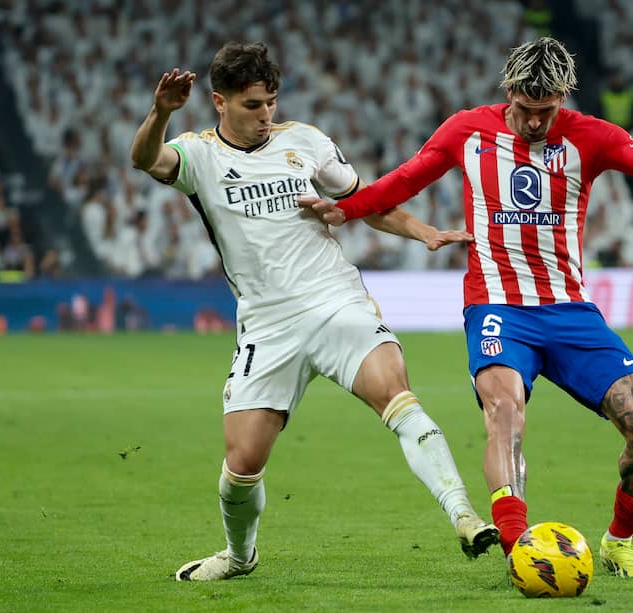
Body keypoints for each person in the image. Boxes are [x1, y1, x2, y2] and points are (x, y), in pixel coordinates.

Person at [301, 37, 633, 579]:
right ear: (509, 91)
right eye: (527, 110)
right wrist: (344, 210)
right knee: (504, 413)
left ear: (563, 97)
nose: (536, 122)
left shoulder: (591, 136)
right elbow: (406, 179)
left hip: (570, 311)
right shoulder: (468, 129)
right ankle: (519, 550)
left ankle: (618, 542)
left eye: (547, 110)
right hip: (497, 309)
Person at [129, 41, 498, 581]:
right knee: (242, 466)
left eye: (271, 102)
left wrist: (424, 232)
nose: (266, 115)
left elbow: (365, 201)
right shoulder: (198, 155)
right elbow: (144, 159)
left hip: (335, 300)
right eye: (253, 105)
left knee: (396, 395)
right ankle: (239, 556)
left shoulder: (306, 142)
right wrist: (162, 111)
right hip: (267, 324)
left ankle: (464, 515)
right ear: (218, 101)